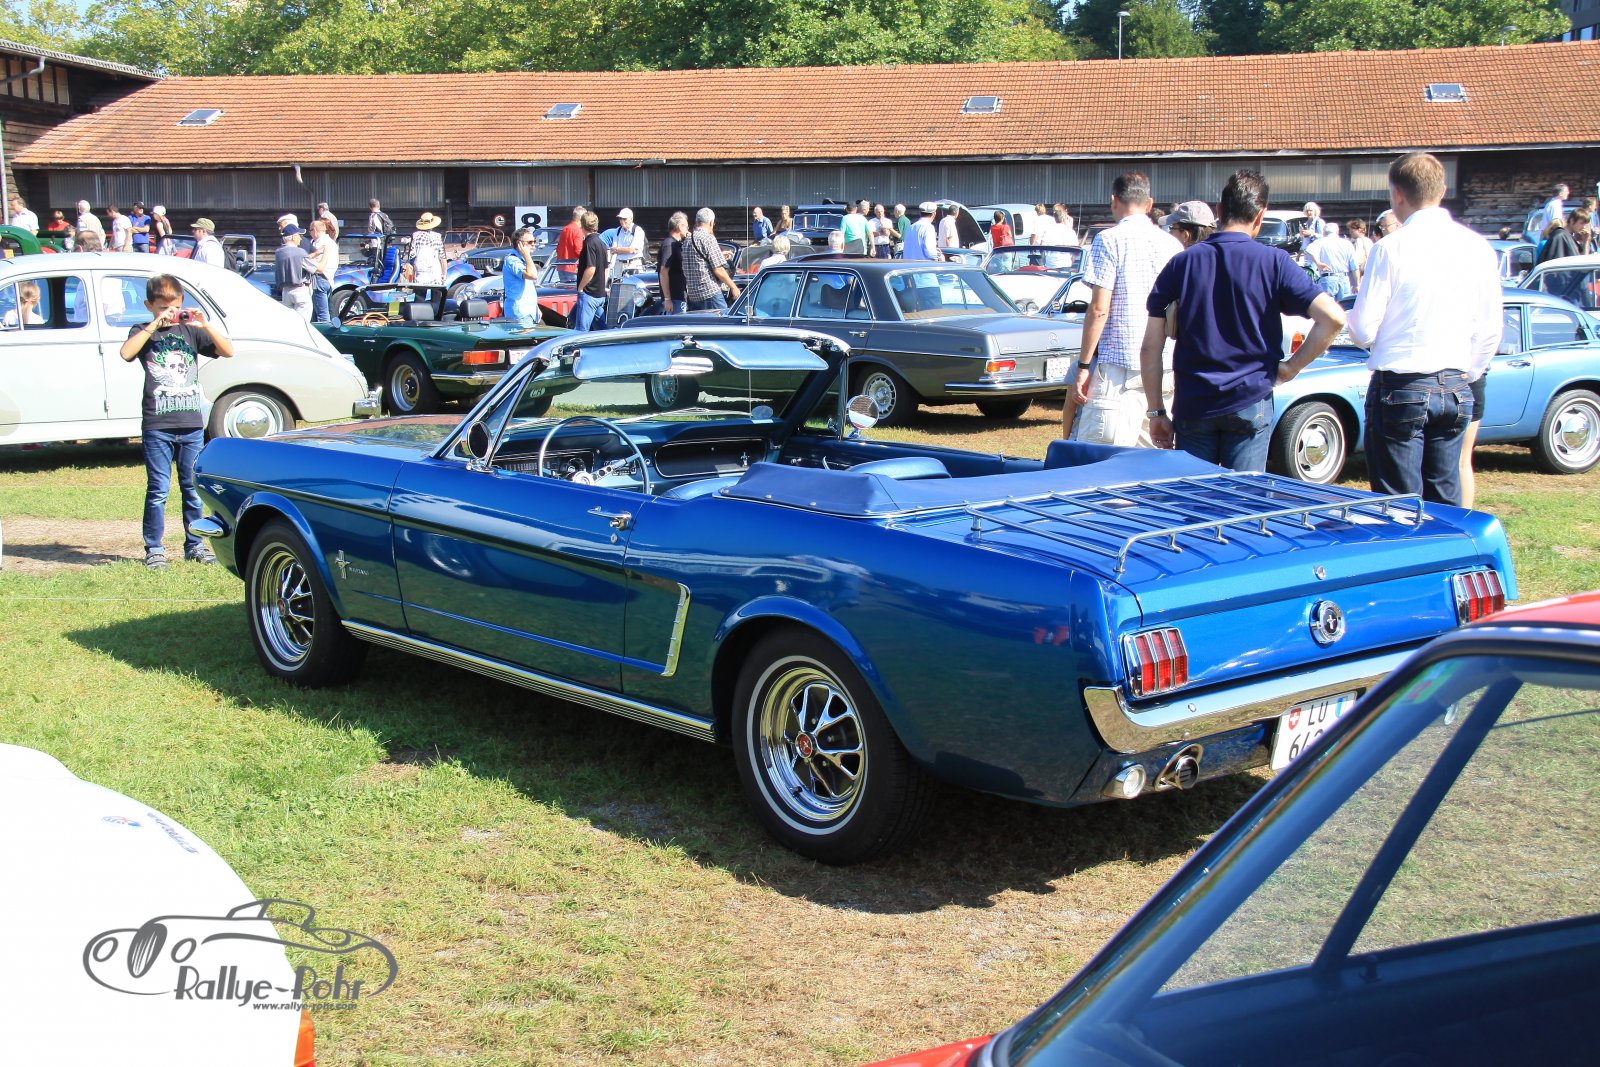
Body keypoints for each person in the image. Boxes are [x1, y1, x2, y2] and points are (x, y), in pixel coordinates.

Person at [1141, 169, 1346, 471]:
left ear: (1220, 210)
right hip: (1250, 399)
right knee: (1244, 497)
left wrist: (1156, 411)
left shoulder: (1182, 263)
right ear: (1260, 215)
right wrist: (1291, 367)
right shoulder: (1275, 262)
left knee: (1193, 498)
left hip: (1194, 402)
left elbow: (1150, 347)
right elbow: (1334, 318)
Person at [1348, 151, 1501, 507]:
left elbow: (1363, 329)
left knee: (1400, 505)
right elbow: (1491, 327)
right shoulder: (1477, 247)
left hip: (1402, 383)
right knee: (1445, 500)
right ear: (1442, 191)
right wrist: (1469, 371)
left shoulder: (1390, 248)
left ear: (1397, 194)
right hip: (1455, 381)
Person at [118, 273, 234, 570]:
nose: (170, 313)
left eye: (175, 306)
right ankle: (154, 549)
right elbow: (126, 352)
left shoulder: (190, 331)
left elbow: (228, 351)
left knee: (192, 488)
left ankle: (195, 545)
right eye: (162, 307)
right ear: (149, 306)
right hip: (158, 425)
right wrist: (154, 325)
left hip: (191, 423)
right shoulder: (143, 331)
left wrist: (205, 324)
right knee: (158, 490)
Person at [1067, 171, 1183, 445]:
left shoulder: (1108, 240)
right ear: (1149, 203)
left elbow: (1099, 308)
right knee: (1152, 464)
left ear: (1114, 200)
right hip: (1163, 368)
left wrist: (1084, 365)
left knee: (1100, 461)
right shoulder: (1172, 244)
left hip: (1119, 370)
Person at [682, 208, 739, 311]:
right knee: (722, 320)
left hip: (693, 295)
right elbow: (718, 269)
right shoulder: (708, 238)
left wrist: (720, 255)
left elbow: (698, 261)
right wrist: (733, 287)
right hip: (709, 292)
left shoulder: (687, 240)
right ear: (711, 222)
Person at [1304, 221, 1359, 299]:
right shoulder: (1347, 243)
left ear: (1324, 232)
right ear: (1337, 232)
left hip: (1328, 277)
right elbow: (1355, 266)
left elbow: (1309, 250)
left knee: (1328, 305)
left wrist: (1318, 263)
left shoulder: (1320, 241)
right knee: (1344, 304)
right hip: (1344, 278)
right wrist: (1357, 284)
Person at [573, 211, 609, 331]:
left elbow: (591, 268)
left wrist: (581, 287)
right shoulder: (601, 242)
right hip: (599, 293)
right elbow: (606, 268)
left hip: (589, 293)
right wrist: (603, 287)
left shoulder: (589, 243)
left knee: (581, 330)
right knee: (601, 330)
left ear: (582, 225)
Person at [502, 227, 542, 323]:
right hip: (520, 313)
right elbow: (532, 275)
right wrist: (526, 255)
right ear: (519, 244)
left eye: (534, 241)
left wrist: (536, 307)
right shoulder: (512, 260)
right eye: (530, 242)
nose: (533, 244)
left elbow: (528, 287)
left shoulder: (523, 260)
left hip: (529, 312)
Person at [274, 225, 313, 319]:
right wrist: (325, 254)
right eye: (299, 235)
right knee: (303, 322)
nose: (300, 238)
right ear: (293, 237)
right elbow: (316, 268)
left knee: (289, 322)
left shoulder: (279, 252)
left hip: (286, 291)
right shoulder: (300, 252)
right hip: (300, 290)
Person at [305, 218, 337, 323]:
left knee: (322, 314)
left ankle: (323, 331)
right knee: (326, 310)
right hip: (328, 278)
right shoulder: (331, 242)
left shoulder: (321, 244)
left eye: (310, 230)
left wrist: (309, 257)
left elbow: (315, 264)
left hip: (319, 277)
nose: (310, 233)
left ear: (315, 230)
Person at [657, 211, 688, 313]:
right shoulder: (669, 244)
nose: (687, 230)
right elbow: (663, 271)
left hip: (681, 295)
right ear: (679, 227)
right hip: (674, 297)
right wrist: (667, 299)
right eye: (686, 227)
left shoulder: (678, 243)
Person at [607, 207, 646, 278]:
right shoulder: (617, 230)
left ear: (631, 219)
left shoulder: (638, 230)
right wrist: (625, 250)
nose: (622, 221)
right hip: (619, 265)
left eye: (624, 219)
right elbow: (613, 250)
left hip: (633, 264)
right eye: (620, 219)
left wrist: (618, 249)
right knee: (616, 284)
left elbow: (632, 250)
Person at [410, 211, 444, 285]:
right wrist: (444, 274)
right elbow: (442, 257)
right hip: (435, 271)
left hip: (421, 270)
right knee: (436, 291)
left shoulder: (415, 236)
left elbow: (411, 255)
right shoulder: (437, 236)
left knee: (420, 291)